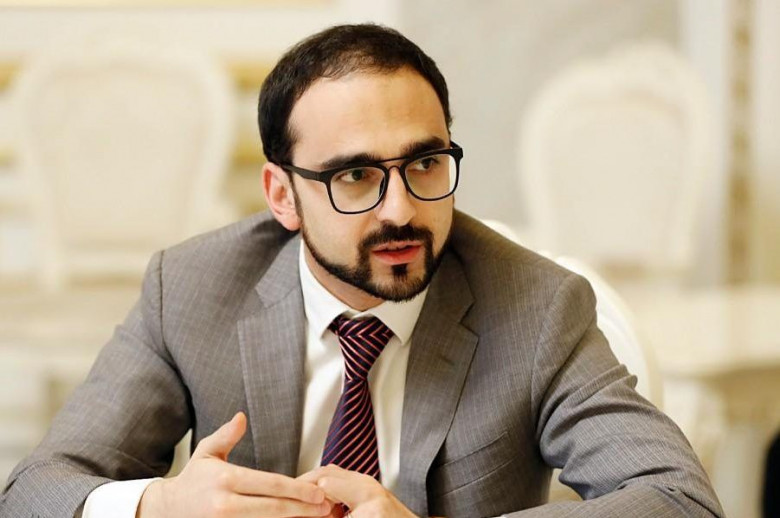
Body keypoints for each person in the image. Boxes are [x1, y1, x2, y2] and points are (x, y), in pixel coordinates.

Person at [1, 23, 723, 518]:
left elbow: (678, 498)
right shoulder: (192, 290)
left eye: (425, 163)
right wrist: (159, 505)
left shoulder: (537, 306)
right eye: (354, 176)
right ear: (282, 195)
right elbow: (32, 492)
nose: (401, 210)